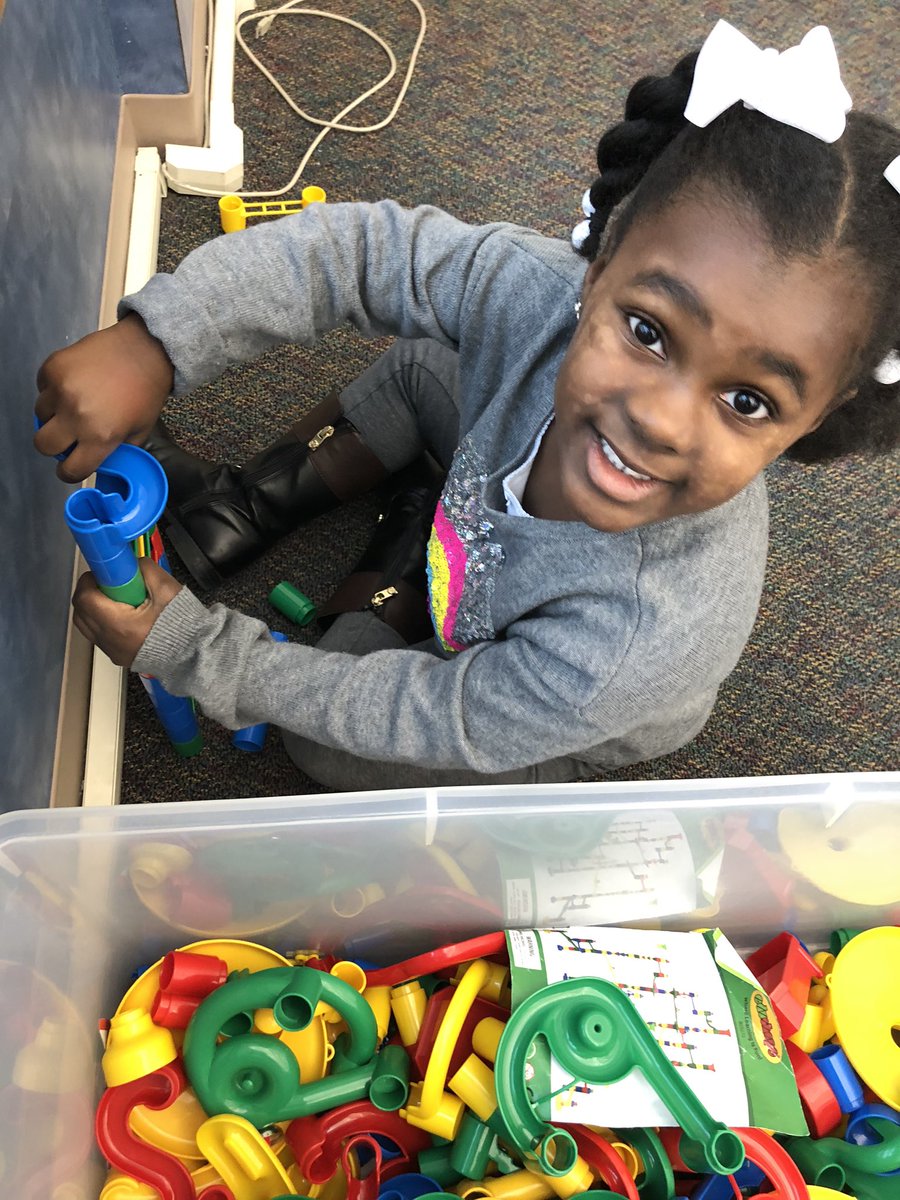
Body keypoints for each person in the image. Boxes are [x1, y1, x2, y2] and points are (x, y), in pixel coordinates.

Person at [34, 22, 900, 790]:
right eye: (647, 329)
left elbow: (441, 713)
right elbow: (367, 252)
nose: (663, 421)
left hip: (530, 705)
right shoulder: (539, 293)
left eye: (747, 399)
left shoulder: (637, 639)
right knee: (424, 364)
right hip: (491, 503)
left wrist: (203, 654)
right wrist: (161, 339)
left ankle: (406, 554)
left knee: (327, 752)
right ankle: (258, 500)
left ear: (816, 418)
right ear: (597, 268)